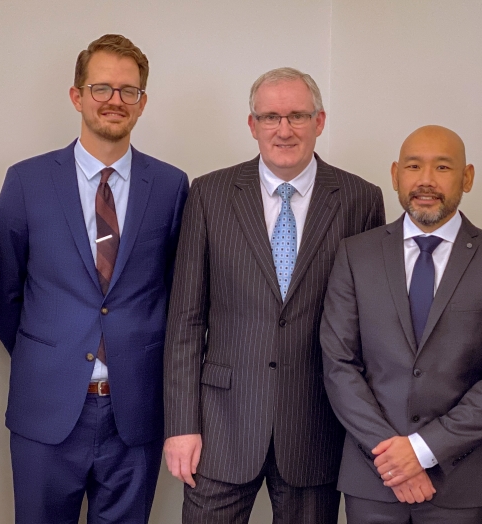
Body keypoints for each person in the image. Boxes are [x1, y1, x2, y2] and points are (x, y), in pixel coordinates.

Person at [162, 67, 385, 523]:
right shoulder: (210, 193)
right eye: (270, 117)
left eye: (298, 116)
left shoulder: (361, 199)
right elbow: (185, 319)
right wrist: (181, 425)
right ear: (252, 125)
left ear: (320, 121)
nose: (284, 130)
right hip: (221, 423)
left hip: (315, 423)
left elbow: (371, 326)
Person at [0, 34, 188, 524]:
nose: (115, 101)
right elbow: (3, 290)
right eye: (102, 88)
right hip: (48, 408)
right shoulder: (26, 181)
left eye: (129, 91)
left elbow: (176, 291)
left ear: (143, 103)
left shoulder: (170, 185)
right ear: (77, 96)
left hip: (136, 411)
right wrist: (52, 352)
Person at [320, 125, 482, 523]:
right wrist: (392, 456)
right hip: (374, 478)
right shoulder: (355, 255)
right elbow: (338, 364)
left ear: (467, 177)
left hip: (465, 482)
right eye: (414, 166)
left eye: (443, 167)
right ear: (395, 174)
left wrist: (421, 450)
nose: (426, 181)